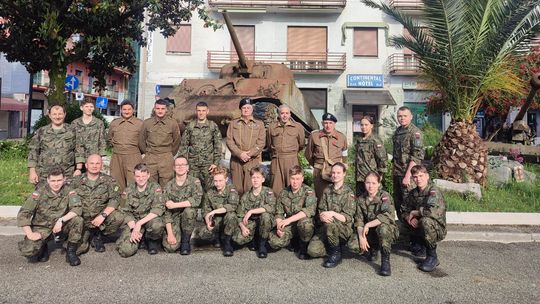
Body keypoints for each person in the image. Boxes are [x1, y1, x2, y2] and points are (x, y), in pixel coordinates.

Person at [17, 167, 84, 266]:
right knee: (28, 250)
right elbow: (23, 214)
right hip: (42, 227)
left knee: (78, 220)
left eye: (59, 180)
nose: (56, 184)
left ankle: (71, 252)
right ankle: (43, 246)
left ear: (64, 179)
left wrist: (61, 220)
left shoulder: (69, 191)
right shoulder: (39, 193)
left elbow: (77, 208)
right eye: (53, 180)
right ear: (48, 180)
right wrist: (30, 234)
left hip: (61, 226)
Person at [71, 154, 124, 254]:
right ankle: (86, 234)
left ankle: (99, 235)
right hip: (82, 218)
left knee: (119, 216)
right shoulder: (76, 181)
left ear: (101, 165)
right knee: (78, 249)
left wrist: (103, 215)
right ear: (86, 165)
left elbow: (115, 199)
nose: (94, 166)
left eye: (97, 163)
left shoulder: (110, 181)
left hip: (100, 218)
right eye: (92, 163)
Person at [348, 172, 399, 276]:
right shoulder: (361, 199)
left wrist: (368, 225)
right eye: (367, 183)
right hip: (370, 231)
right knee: (352, 245)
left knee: (383, 228)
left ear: (379, 184)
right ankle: (373, 249)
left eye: (373, 183)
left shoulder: (384, 197)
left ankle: (385, 261)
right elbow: (359, 220)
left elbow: (386, 216)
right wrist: (361, 237)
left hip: (387, 230)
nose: (370, 186)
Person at [307, 162, 355, 268]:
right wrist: (322, 216)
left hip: (343, 228)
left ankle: (336, 253)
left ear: (344, 174)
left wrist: (332, 214)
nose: (335, 175)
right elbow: (321, 209)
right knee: (312, 251)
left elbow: (347, 217)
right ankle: (332, 244)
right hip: (326, 226)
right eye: (333, 173)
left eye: (338, 173)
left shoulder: (348, 193)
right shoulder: (327, 190)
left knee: (331, 224)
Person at [401, 165, 447, 272]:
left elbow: (432, 211)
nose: (418, 179)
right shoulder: (413, 193)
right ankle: (417, 243)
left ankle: (432, 256)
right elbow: (403, 209)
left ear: (427, 176)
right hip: (418, 225)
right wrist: (409, 217)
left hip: (436, 229)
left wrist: (415, 212)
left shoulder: (433, 191)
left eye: (421, 176)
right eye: (415, 177)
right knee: (397, 225)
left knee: (425, 221)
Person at [116, 163, 165, 257]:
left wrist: (139, 224)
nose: (141, 179)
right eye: (138, 176)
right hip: (133, 222)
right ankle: (139, 239)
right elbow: (124, 211)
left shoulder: (155, 188)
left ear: (148, 175)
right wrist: (134, 228)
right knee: (125, 251)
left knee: (157, 225)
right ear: (134, 176)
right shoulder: (128, 190)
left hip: (149, 220)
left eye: (143, 176)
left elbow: (158, 209)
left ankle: (151, 240)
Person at [268, 165, 317, 260]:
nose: (295, 182)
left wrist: (287, 221)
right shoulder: (284, 192)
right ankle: (292, 240)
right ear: (289, 178)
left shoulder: (309, 192)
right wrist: (279, 225)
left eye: (298, 179)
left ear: (302, 179)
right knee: (274, 242)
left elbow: (308, 211)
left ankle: (303, 246)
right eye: (292, 178)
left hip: (302, 223)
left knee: (305, 223)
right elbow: (279, 212)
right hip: (290, 224)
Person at [28, 105, 83, 185]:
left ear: (64, 114)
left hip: (67, 173)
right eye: (54, 114)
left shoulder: (73, 131)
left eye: (60, 114)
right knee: (44, 196)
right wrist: (32, 171)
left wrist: (78, 169)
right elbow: (33, 151)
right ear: (49, 115)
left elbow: (79, 149)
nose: (57, 117)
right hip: (44, 174)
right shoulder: (41, 131)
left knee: (67, 196)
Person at [162, 157, 203, 255]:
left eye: (183, 164)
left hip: (188, 217)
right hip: (174, 218)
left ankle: (185, 241)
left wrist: (175, 205)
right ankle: (176, 234)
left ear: (187, 167)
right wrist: (170, 234)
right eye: (177, 165)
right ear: (174, 168)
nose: (180, 167)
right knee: (171, 248)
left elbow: (196, 201)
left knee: (190, 211)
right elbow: (166, 212)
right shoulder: (168, 186)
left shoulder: (194, 182)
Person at [177, 101, 223, 191]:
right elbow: (184, 145)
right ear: (196, 111)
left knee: (209, 189)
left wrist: (215, 163)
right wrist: (184, 164)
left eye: (203, 110)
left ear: (207, 111)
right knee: (192, 188)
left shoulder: (212, 126)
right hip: (193, 164)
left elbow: (218, 145)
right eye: (199, 110)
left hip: (208, 165)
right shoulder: (190, 126)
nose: (201, 113)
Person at [233, 167, 276, 258]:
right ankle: (252, 239)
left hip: (265, 222)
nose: (255, 180)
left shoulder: (268, 192)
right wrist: (243, 227)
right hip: (251, 223)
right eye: (253, 178)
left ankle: (262, 245)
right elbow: (239, 215)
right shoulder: (246, 196)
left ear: (263, 179)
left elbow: (271, 207)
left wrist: (252, 211)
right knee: (238, 239)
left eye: (258, 177)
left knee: (265, 216)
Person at [226, 97, 266, 195]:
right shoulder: (233, 123)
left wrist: (249, 154)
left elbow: (261, 143)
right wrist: (240, 154)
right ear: (240, 109)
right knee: (236, 189)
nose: (246, 110)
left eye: (248, 108)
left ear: (252, 109)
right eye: (244, 108)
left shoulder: (259, 124)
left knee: (251, 187)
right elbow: (229, 141)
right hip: (237, 161)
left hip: (252, 160)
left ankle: (251, 209)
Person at [305, 113, 348, 200]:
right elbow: (308, 154)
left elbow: (344, 154)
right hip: (319, 172)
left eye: (330, 123)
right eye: (326, 123)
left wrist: (341, 167)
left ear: (334, 124)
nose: (328, 125)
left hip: (336, 173)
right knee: (320, 197)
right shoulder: (314, 136)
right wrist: (317, 166)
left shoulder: (341, 137)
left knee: (336, 197)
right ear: (322, 123)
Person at [139, 99, 181, 187]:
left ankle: (165, 201)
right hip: (150, 157)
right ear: (154, 109)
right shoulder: (147, 123)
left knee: (167, 184)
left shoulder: (172, 123)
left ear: (166, 110)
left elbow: (177, 141)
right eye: (158, 108)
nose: (160, 111)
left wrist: (169, 154)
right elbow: (141, 140)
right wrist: (147, 153)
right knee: (150, 185)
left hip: (166, 157)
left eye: (162, 109)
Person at [200, 166, 240, 257]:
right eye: (215, 181)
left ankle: (227, 243)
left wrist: (214, 212)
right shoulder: (210, 192)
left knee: (231, 215)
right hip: (216, 221)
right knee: (203, 234)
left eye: (220, 181)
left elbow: (232, 206)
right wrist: (208, 222)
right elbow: (205, 210)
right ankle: (217, 236)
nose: (217, 184)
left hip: (229, 221)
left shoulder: (232, 190)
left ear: (226, 179)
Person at [392, 106, 424, 218]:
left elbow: (416, 157)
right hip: (397, 173)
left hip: (408, 175)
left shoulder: (415, 133)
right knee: (398, 203)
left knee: (409, 203)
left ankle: (411, 230)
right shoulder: (398, 131)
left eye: (405, 116)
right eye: (399, 116)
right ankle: (402, 229)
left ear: (411, 117)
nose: (402, 118)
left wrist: (407, 175)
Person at [267, 104, 305, 194]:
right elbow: (269, 144)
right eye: (282, 113)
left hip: (292, 159)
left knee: (293, 185)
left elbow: (301, 144)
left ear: (290, 114)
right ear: (278, 115)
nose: (284, 115)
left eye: (287, 113)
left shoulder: (298, 127)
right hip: (277, 160)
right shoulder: (272, 127)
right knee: (276, 187)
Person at [108, 100, 143, 191]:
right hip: (117, 155)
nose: (127, 111)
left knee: (134, 180)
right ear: (121, 110)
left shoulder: (140, 124)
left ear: (133, 110)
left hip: (133, 155)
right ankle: (119, 203)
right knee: (116, 180)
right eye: (124, 109)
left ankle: (133, 203)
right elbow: (109, 138)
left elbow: (144, 140)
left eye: (129, 109)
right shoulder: (114, 123)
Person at [355, 116, 387, 196]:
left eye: (366, 125)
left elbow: (382, 160)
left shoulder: (375, 141)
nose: (363, 127)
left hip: (371, 179)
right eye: (362, 125)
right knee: (361, 202)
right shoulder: (360, 140)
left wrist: (380, 177)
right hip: (360, 178)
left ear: (371, 126)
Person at [72, 99, 107, 164]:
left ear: (93, 108)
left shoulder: (99, 123)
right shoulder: (75, 123)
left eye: (91, 107)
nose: (89, 108)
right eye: (86, 106)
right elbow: (72, 140)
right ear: (81, 108)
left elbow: (102, 140)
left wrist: (102, 156)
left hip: (94, 157)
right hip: (78, 157)